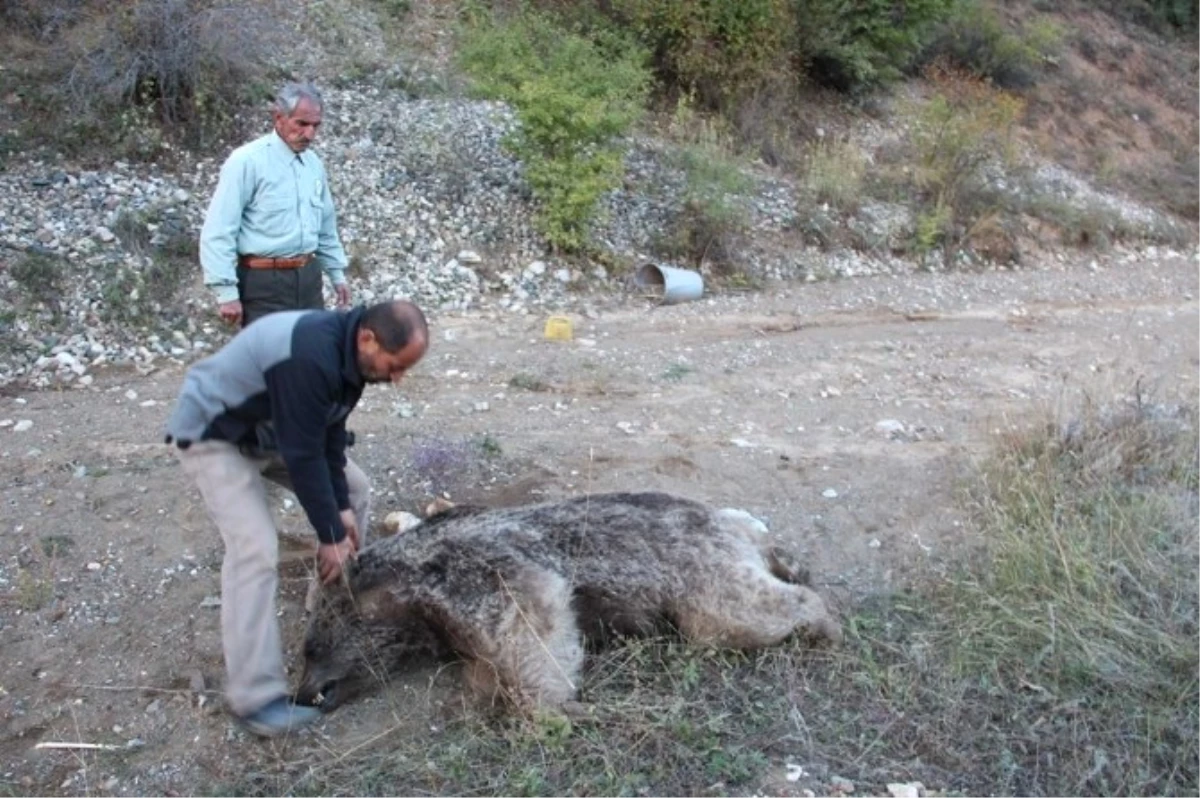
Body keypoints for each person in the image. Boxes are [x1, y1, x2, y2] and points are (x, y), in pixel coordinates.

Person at [164, 300, 429, 737]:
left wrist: (340, 509)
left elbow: (328, 435)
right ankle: (256, 699)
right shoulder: (308, 355)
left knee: (356, 490)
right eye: (396, 366)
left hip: (271, 433)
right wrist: (328, 533)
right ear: (369, 338)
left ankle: (330, 600)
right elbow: (303, 455)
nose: (398, 378)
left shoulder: (353, 358)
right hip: (215, 435)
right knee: (254, 548)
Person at [199, 81, 352, 328]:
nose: (310, 134)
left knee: (311, 358)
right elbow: (219, 230)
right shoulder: (247, 162)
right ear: (279, 118)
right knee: (269, 362)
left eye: (316, 126)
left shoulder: (313, 165)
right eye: (301, 124)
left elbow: (325, 226)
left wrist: (336, 273)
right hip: (263, 285)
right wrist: (225, 292)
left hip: (308, 281)